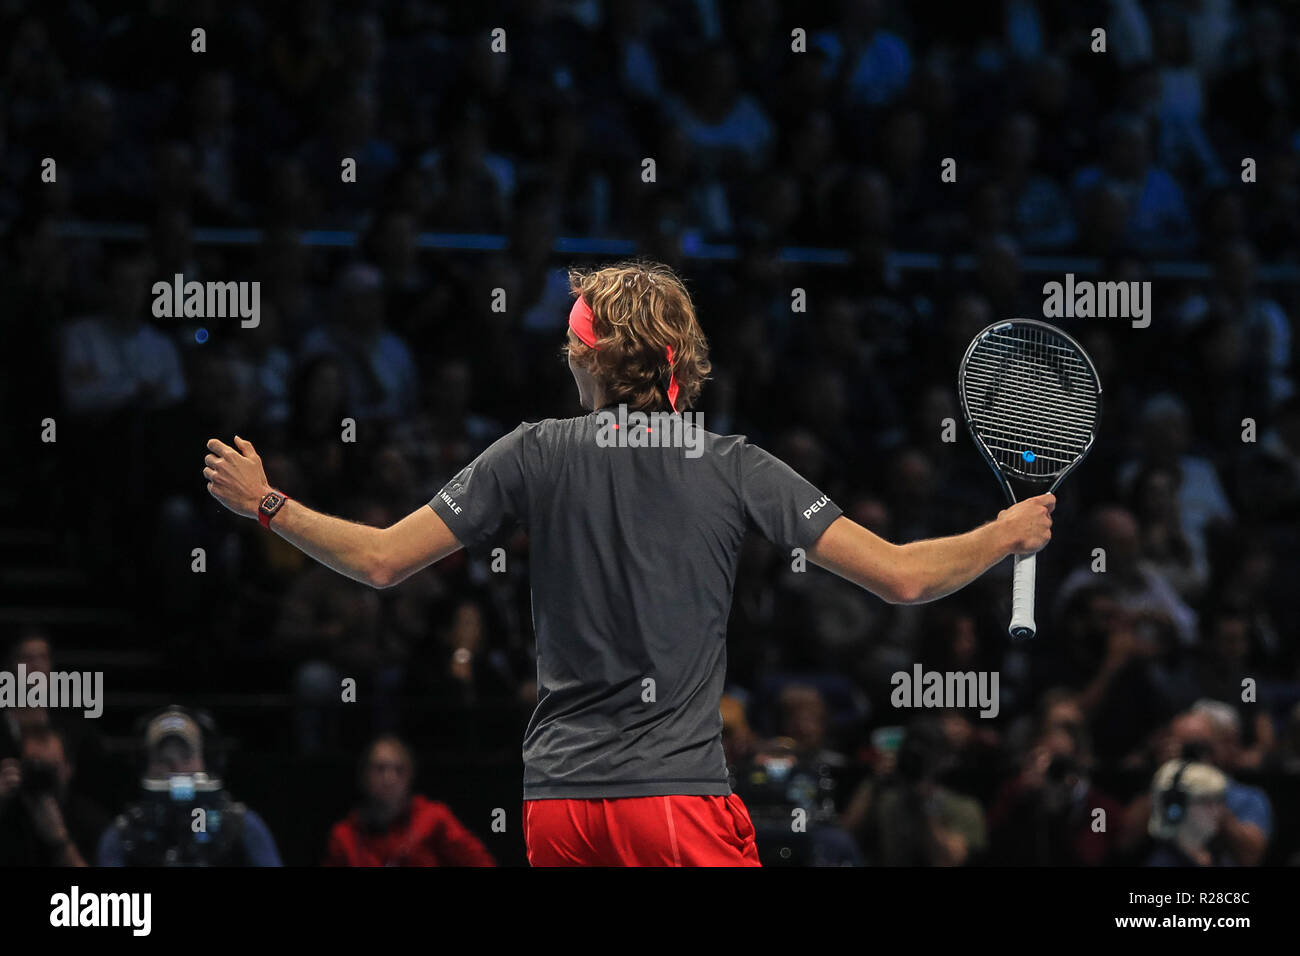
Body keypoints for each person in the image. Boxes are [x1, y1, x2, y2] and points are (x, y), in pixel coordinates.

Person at [203, 260, 1054, 867]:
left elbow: (382, 560)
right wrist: (1003, 534)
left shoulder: (530, 453)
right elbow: (904, 577)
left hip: (561, 812)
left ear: (587, 357)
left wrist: (268, 505)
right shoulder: (735, 465)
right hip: (679, 808)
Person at [97, 707, 282, 867]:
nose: (176, 769)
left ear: (206, 761)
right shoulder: (125, 833)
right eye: (164, 759)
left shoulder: (240, 826)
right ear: (144, 765)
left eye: (186, 757)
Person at [323, 735, 495, 867]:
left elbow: (481, 863)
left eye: (399, 769)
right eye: (379, 768)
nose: (389, 778)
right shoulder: (344, 836)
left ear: (410, 776)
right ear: (363, 776)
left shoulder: (434, 818)